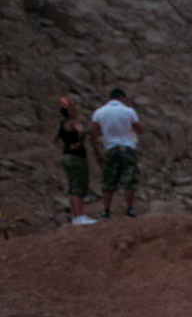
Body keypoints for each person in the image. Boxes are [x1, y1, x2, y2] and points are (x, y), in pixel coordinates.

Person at [90, 87, 143, 219]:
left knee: (109, 180)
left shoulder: (99, 113)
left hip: (111, 149)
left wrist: (97, 153)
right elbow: (139, 129)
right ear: (122, 97)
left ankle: (106, 211)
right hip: (128, 148)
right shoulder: (129, 111)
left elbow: (93, 134)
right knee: (130, 179)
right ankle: (130, 209)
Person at [52, 94, 95, 226]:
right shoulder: (74, 123)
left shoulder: (61, 125)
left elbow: (54, 139)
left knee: (71, 187)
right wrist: (79, 144)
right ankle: (80, 216)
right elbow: (81, 132)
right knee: (78, 187)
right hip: (77, 158)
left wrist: (64, 148)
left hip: (66, 157)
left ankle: (74, 216)